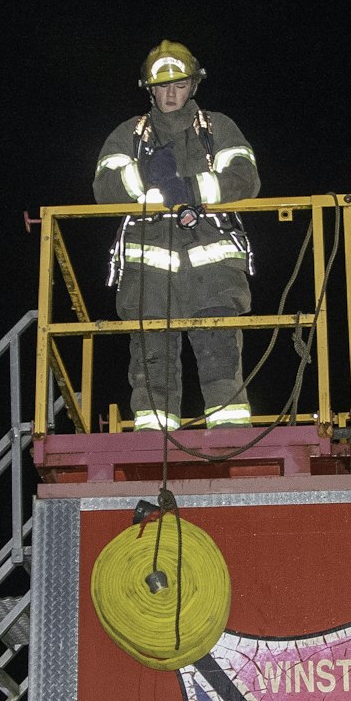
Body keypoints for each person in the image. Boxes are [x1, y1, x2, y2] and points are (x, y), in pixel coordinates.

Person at [93, 40, 260, 431]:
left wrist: (189, 190)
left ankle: (231, 444)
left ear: (193, 86)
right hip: (148, 283)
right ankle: (153, 448)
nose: (171, 94)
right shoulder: (128, 136)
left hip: (214, 279)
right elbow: (105, 188)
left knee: (222, 367)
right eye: (163, 86)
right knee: (152, 375)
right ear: (149, 89)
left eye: (179, 85)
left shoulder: (218, 129)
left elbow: (245, 178)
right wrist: (149, 176)